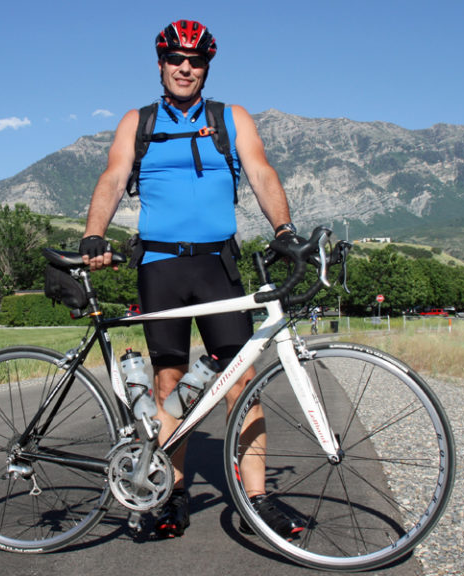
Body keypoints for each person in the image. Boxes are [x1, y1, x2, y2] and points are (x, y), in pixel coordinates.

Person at [80, 19, 302, 539]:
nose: (185, 67)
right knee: (170, 382)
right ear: (160, 64)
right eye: (176, 59)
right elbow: (114, 176)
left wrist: (285, 229)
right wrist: (94, 234)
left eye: (196, 60)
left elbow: (262, 171)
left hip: (217, 266)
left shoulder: (231, 117)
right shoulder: (139, 121)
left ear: (206, 68)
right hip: (160, 266)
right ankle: (173, 492)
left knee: (240, 380)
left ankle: (257, 499)